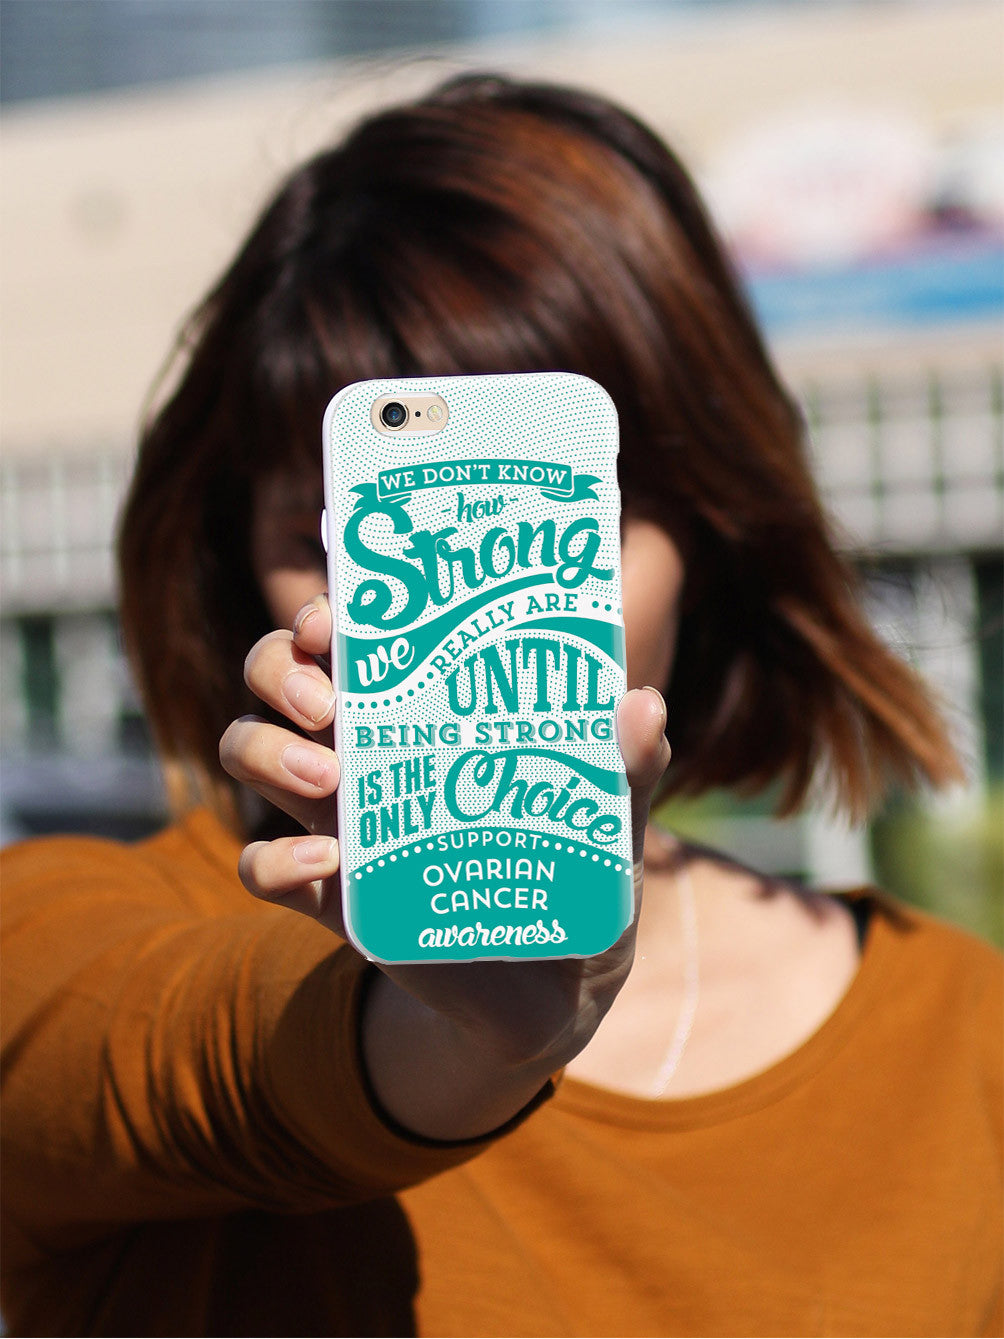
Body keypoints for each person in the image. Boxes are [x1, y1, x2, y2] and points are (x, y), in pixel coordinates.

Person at [2, 73, 1000, 1338]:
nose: (452, 600)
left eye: (557, 526)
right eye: (339, 536)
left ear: (710, 533)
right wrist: (463, 1044)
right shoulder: (58, 936)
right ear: (233, 557)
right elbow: (180, 1067)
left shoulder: (963, 1039)